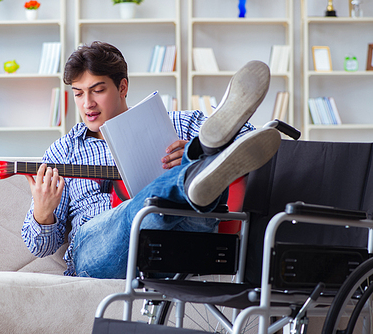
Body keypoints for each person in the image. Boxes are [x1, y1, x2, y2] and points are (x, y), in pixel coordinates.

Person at [22, 41, 281, 279]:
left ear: (122, 87)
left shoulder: (177, 123)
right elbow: (39, 246)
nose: (87, 103)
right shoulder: (64, 151)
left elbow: (255, 142)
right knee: (135, 211)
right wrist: (43, 213)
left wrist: (195, 147)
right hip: (99, 248)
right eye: (78, 94)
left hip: (179, 240)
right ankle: (193, 176)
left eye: (97, 90)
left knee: (187, 203)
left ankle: (203, 164)